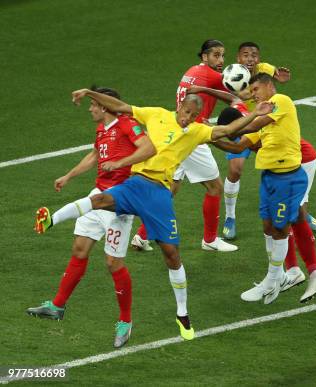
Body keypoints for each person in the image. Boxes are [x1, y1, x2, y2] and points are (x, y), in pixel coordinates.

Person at [34, 88, 273, 339]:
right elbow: (122, 105)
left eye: (193, 116)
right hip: (135, 184)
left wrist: (254, 113)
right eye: (186, 113)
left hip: (159, 194)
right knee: (99, 199)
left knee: (171, 255)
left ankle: (182, 313)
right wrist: (89, 92)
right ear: (179, 107)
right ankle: (52, 220)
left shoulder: (197, 131)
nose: (187, 119)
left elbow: (227, 131)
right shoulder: (155, 114)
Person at [27, 87, 155, 348]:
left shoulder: (128, 124)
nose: (90, 108)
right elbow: (95, 155)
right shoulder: (102, 129)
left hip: (120, 201)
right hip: (98, 194)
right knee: (79, 248)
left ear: (105, 106)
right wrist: (69, 175)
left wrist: (122, 164)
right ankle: (57, 306)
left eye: (94, 104)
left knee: (113, 264)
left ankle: (125, 321)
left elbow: (148, 148)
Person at [229, 73, 316, 304]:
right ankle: (294, 272)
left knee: (290, 219)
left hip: (296, 167)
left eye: (255, 89)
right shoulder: (262, 116)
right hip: (272, 174)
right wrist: (208, 136)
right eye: (250, 92)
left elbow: (252, 125)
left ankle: (296, 274)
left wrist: (228, 127)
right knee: (273, 223)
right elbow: (240, 144)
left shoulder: (280, 101)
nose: (253, 95)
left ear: (269, 86)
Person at [131, 39, 236, 253]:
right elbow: (238, 95)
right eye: (216, 55)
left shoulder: (191, 71)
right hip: (192, 137)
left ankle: (142, 236)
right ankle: (210, 240)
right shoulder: (210, 75)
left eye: (223, 55)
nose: (221, 60)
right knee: (215, 187)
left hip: (178, 132)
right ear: (204, 57)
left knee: (170, 188)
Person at [221, 41, 316, 241]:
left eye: (254, 55)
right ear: (238, 58)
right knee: (235, 169)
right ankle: (230, 218)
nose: (250, 59)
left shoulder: (266, 75)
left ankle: (300, 212)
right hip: (244, 122)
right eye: (245, 55)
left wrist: (280, 79)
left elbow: (273, 82)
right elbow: (236, 99)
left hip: (264, 124)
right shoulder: (231, 74)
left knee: (303, 153)